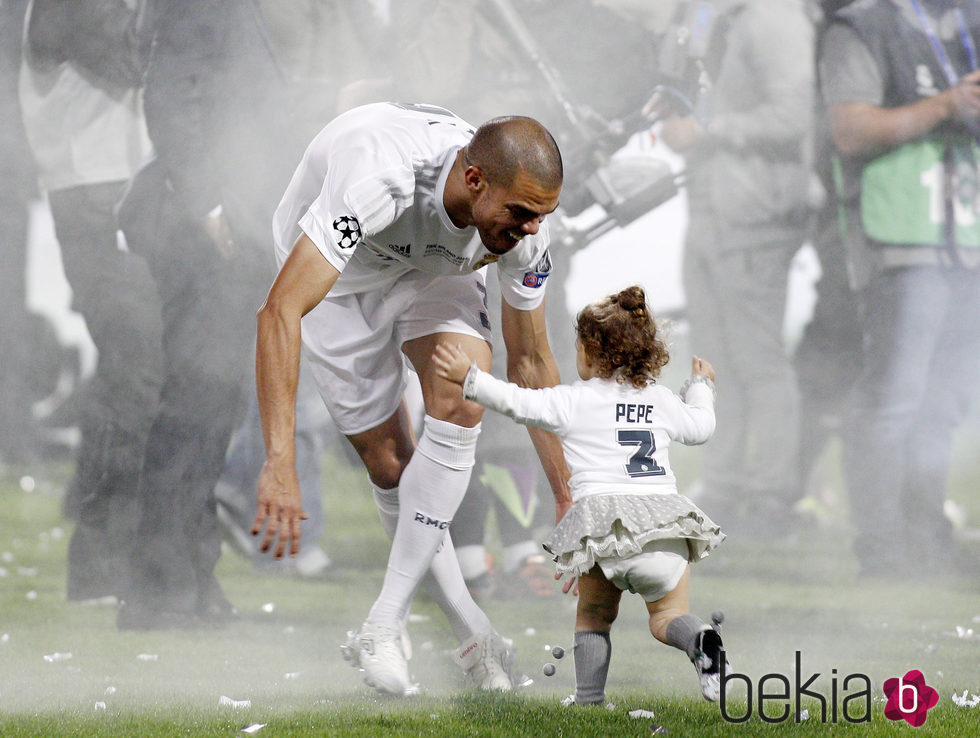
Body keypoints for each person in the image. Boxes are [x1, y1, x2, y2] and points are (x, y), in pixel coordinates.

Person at [252, 102, 570, 697]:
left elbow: (529, 361)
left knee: (462, 395)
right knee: (392, 465)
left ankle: (383, 622)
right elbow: (280, 311)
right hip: (340, 283)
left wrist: (567, 493)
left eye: (541, 217)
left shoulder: (522, 229)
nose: (530, 230)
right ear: (473, 180)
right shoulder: (379, 181)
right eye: (522, 213)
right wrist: (279, 461)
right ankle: (473, 632)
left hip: (438, 271)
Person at [432, 285, 727, 704]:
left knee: (593, 616)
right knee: (668, 615)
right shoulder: (661, 400)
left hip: (607, 527)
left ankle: (590, 699)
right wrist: (700, 385)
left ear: (591, 353)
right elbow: (701, 427)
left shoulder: (575, 401)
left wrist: (472, 379)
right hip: (665, 524)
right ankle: (701, 642)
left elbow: (519, 403)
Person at [114, 0, 294, 629]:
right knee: (194, 408)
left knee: (208, 409)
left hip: (220, 224)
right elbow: (171, 93)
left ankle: (185, 579)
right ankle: (161, 588)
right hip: (204, 231)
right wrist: (208, 203)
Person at [820, 0, 980, 578]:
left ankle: (928, 540)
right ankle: (882, 550)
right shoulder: (864, 25)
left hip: (968, 243)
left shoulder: (972, 24)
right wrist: (945, 105)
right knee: (893, 401)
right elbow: (849, 130)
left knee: (945, 407)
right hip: (899, 241)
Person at [19, 0, 164, 602]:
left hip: (106, 189)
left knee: (131, 372)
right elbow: (136, 58)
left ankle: (105, 546)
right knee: (135, 373)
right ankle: (101, 559)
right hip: (93, 194)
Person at [656, 0, 814, 538]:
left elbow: (796, 115)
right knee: (718, 358)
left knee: (757, 360)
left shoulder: (774, 17)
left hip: (754, 212)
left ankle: (771, 497)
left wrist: (708, 130)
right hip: (715, 209)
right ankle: (725, 487)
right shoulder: (724, 15)